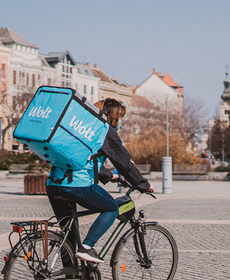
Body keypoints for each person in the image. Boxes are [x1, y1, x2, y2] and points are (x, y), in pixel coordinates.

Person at [47, 98, 153, 264]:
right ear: (113, 117)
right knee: (111, 207)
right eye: (121, 117)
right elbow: (123, 161)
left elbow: (86, 159)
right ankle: (88, 247)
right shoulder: (104, 130)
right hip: (77, 185)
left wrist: (111, 176)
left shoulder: (82, 128)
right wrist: (143, 185)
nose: (122, 121)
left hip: (54, 184)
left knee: (69, 235)